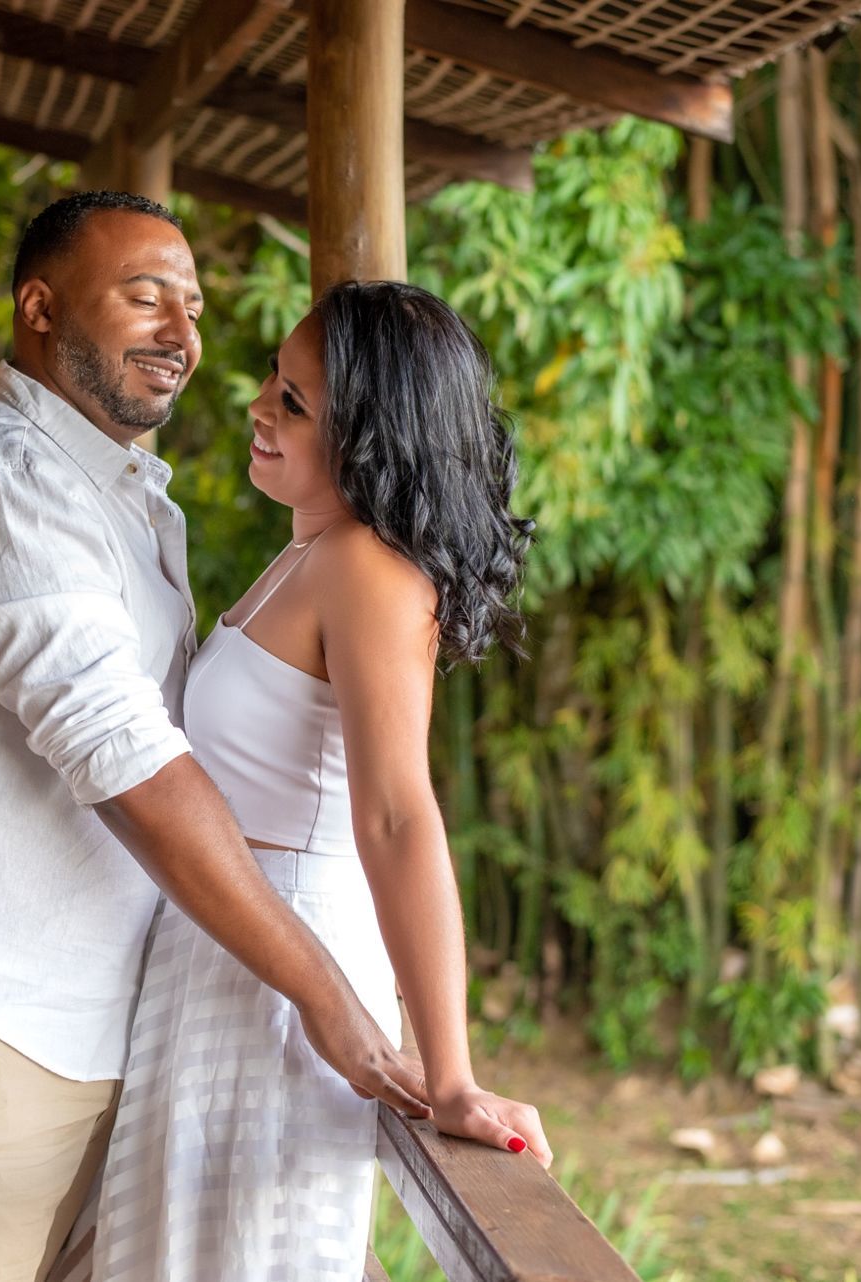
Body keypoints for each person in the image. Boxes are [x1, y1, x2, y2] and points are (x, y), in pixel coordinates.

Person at [0, 193, 435, 1282]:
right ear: (40, 308)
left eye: (191, 308)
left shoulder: (127, 498)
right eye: (144, 296)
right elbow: (134, 767)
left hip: (102, 1033)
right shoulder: (5, 483)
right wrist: (332, 1000)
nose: (181, 336)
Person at [78, 280, 550, 1282]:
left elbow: (395, 815)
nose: (257, 405)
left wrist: (451, 1071)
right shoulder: (308, 554)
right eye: (273, 382)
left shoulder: (371, 571)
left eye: (294, 402)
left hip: (289, 970)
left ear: (372, 438)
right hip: (226, 951)